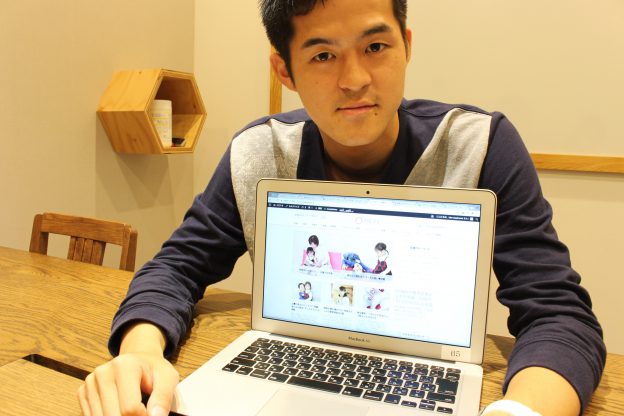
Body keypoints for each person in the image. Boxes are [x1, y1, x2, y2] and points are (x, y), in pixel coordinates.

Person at [78, 1, 606, 415]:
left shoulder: (480, 145)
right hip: (285, 372)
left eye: (375, 46)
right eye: (323, 55)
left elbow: (557, 314)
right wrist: (141, 354)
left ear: (406, 45)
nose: (354, 79)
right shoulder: (260, 152)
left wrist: (518, 410)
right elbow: (177, 266)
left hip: (427, 381)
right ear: (284, 70)